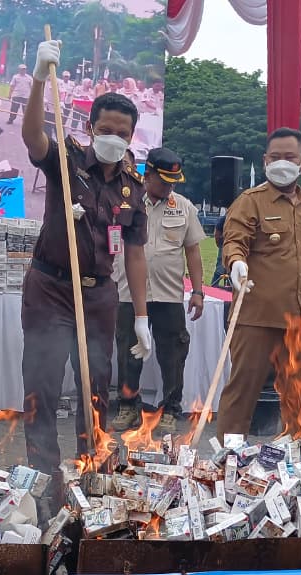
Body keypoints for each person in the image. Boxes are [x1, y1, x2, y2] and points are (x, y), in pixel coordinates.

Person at [20, 40, 153, 475]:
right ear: (92, 127)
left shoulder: (133, 188)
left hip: (98, 298)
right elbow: (32, 136)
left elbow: (134, 255)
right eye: (106, 129)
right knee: (42, 383)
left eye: (123, 133)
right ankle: (44, 473)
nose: (113, 138)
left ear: (132, 136)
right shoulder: (68, 159)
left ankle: (88, 465)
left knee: (95, 385)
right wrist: (40, 77)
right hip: (51, 288)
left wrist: (140, 316)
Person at [216, 126, 301, 438]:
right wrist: (237, 263)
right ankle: (226, 459)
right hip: (256, 317)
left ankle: (294, 458)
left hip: (300, 319)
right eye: (275, 157)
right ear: (265, 159)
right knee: (242, 390)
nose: (282, 162)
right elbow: (234, 242)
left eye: (290, 157)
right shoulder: (250, 201)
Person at [110, 147, 206, 435]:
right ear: (147, 175)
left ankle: (170, 408)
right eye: (164, 181)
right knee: (129, 351)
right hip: (127, 292)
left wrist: (198, 292)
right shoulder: (125, 203)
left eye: (174, 181)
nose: (169, 187)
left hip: (168, 295)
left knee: (173, 353)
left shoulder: (184, 207)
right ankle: (128, 406)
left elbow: (193, 252)